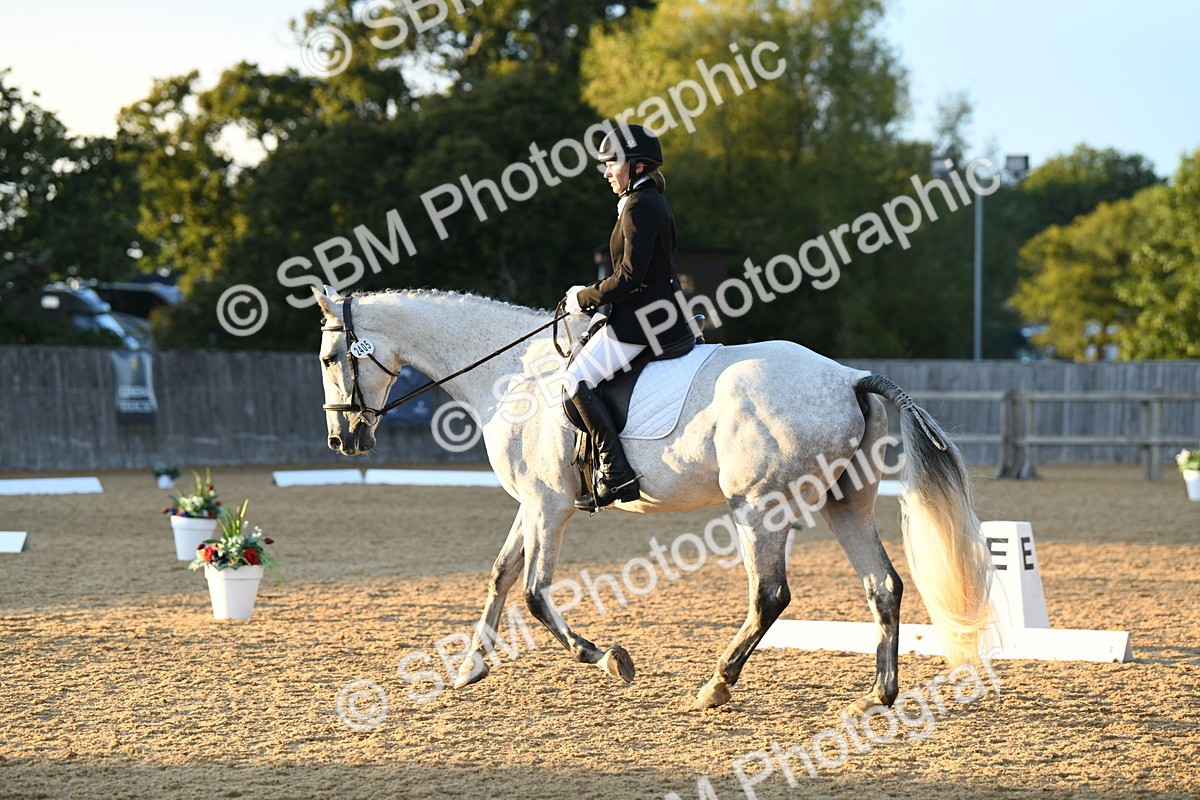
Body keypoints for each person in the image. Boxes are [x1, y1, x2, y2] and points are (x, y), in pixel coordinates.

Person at [562, 124, 692, 509]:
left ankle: (616, 473)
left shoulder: (639, 206)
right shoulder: (648, 201)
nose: (606, 172)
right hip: (659, 312)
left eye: (611, 163)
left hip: (642, 321)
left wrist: (584, 298)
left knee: (575, 379)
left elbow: (631, 276)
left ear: (636, 167)